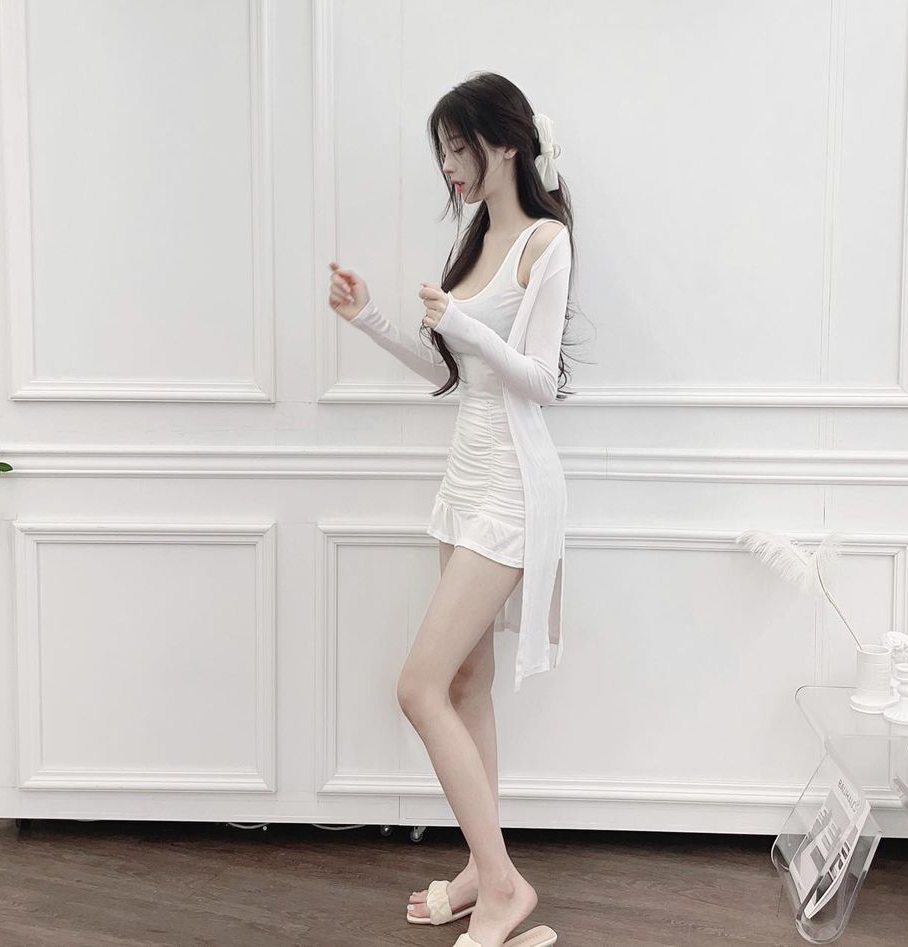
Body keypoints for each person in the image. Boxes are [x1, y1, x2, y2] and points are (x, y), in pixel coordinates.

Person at [327, 72, 576, 947]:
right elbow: (452, 370)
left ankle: (504, 885)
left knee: (418, 686)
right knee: (464, 683)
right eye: (442, 152)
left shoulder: (545, 242)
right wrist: (369, 318)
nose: (449, 167)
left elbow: (539, 382)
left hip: (512, 485)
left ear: (505, 142)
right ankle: (482, 866)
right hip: (463, 482)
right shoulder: (474, 242)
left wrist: (465, 325)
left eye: (459, 148)